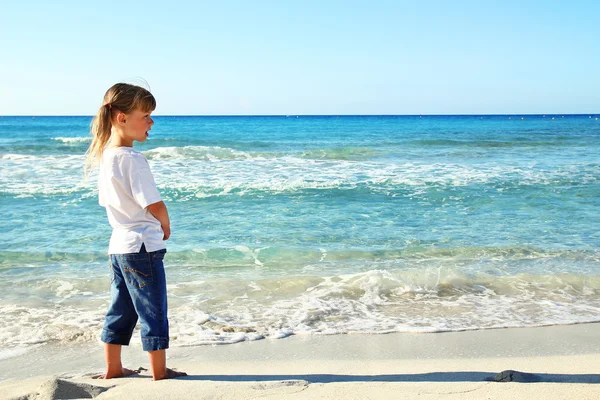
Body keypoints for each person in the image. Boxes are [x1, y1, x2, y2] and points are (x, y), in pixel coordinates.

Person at [86, 83, 186, 380]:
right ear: (121, 117)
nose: (151, 122)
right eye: (146, 115)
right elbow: (154, 203)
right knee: (153, 309)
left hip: (119, 247)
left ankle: (113, 367)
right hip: (142, 247)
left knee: (121, 308)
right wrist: (165, 223)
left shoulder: (107, 157)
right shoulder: (133, 160)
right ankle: (159, 370)